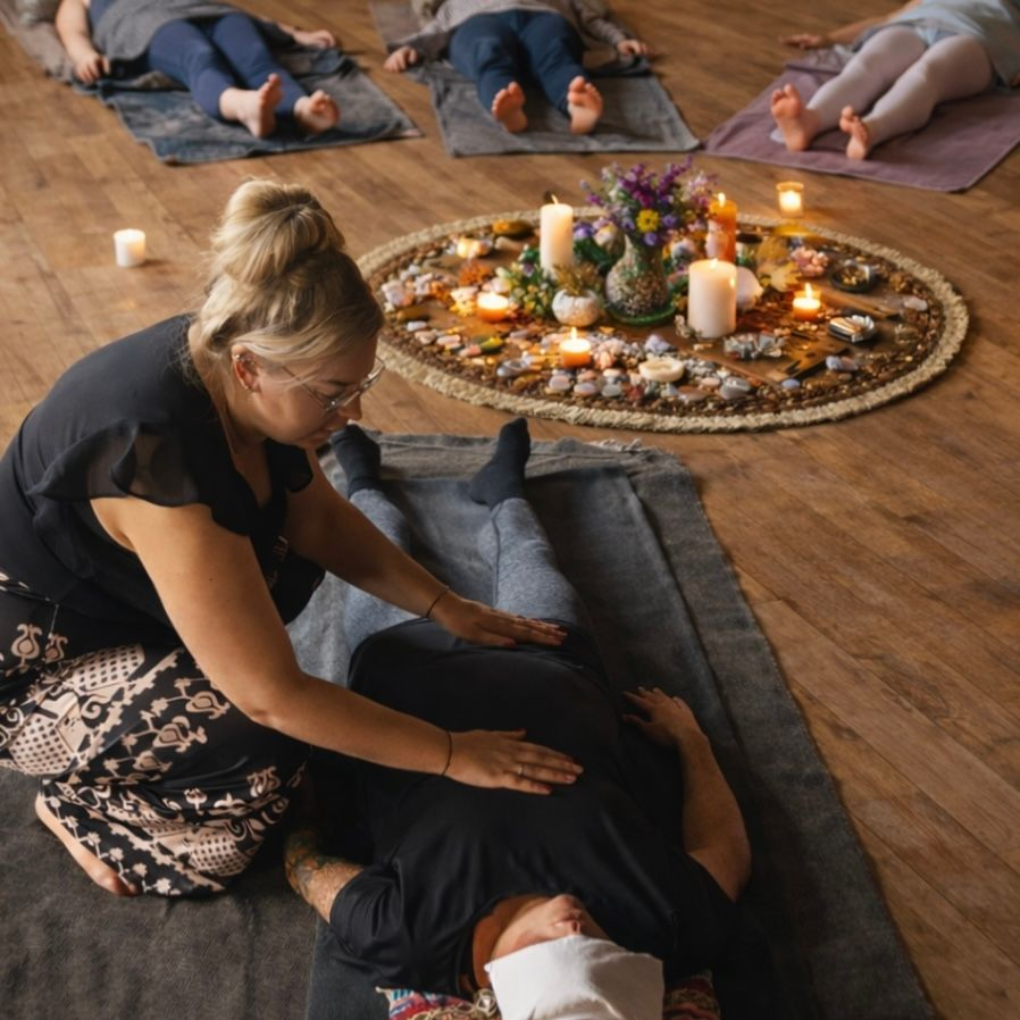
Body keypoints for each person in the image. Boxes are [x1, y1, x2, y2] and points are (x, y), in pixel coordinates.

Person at [0, 181, 582, 900]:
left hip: (127, 613)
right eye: (334, 392)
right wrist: (452, 754)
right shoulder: (153, 455)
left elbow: (319, 518)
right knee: (259, 763)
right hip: (33, 671)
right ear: (249, 368)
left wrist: (445, 606)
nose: (354, 411)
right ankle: (75, 806)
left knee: (288, 687)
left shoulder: (247, 371)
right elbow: (270, 696)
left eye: (359, 383)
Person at [284, 420, 751, 1014]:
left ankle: (364, 476)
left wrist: (306, 779)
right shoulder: (671, 923)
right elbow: (724, 851)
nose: (576, 929)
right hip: (553, 663)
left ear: (493, 990)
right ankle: (504, 488)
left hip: (404, 671)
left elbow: (305, 868)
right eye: (604, 950)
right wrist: (691, 740)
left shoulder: (406, 935)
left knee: (376, 550)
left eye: (551, 951)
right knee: (530, 553)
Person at [770, 0, 1020, 159]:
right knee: (866, 65)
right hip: (917, 22)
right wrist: (829, 38)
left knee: (927, 74)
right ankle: (809, 120)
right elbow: (889, 17)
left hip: (983, 36)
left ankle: (872, 129)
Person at [54, 0, 342, 137]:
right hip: (144, 20)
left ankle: (303, 109)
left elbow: (224, 5)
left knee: (254, 55)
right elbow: (72, 32)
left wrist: (293, 33)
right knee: (198, 54)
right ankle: (242, 105)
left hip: (204, 9)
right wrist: (85, 56)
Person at [383, 0, 651, 134]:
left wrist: (620, 40)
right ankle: (510, 111)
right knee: (487, 51)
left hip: (543, 18)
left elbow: (589, 18)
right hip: (478, 21)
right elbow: (439, 24)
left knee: (556, 52)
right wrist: (413, 47)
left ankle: (576, 107)